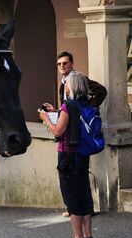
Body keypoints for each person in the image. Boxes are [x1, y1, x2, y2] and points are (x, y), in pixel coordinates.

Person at [43, 51, 106, 217]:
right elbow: (68, 110)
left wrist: (88, 110)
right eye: (59, 64)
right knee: (76, 175)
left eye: (65, 63)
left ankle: (82, 210)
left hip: (78, 136)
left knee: (79, 174)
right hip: (70, 133)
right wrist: (56, 111)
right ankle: (77, 209)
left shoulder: (78, 79)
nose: (62, 66)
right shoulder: (63, 84)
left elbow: (101, 91)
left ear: (71, 64)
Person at [39, 72, 97, 238]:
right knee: (84, 193)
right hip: (82, 154)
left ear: (71, 86)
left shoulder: (68, 105)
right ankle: (88, 237)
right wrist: (55, 112)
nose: (64, 86)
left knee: (71, 196)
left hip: (67, 155)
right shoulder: (85, 103)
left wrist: (46, 119)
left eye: (66, 84)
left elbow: (58, 131)